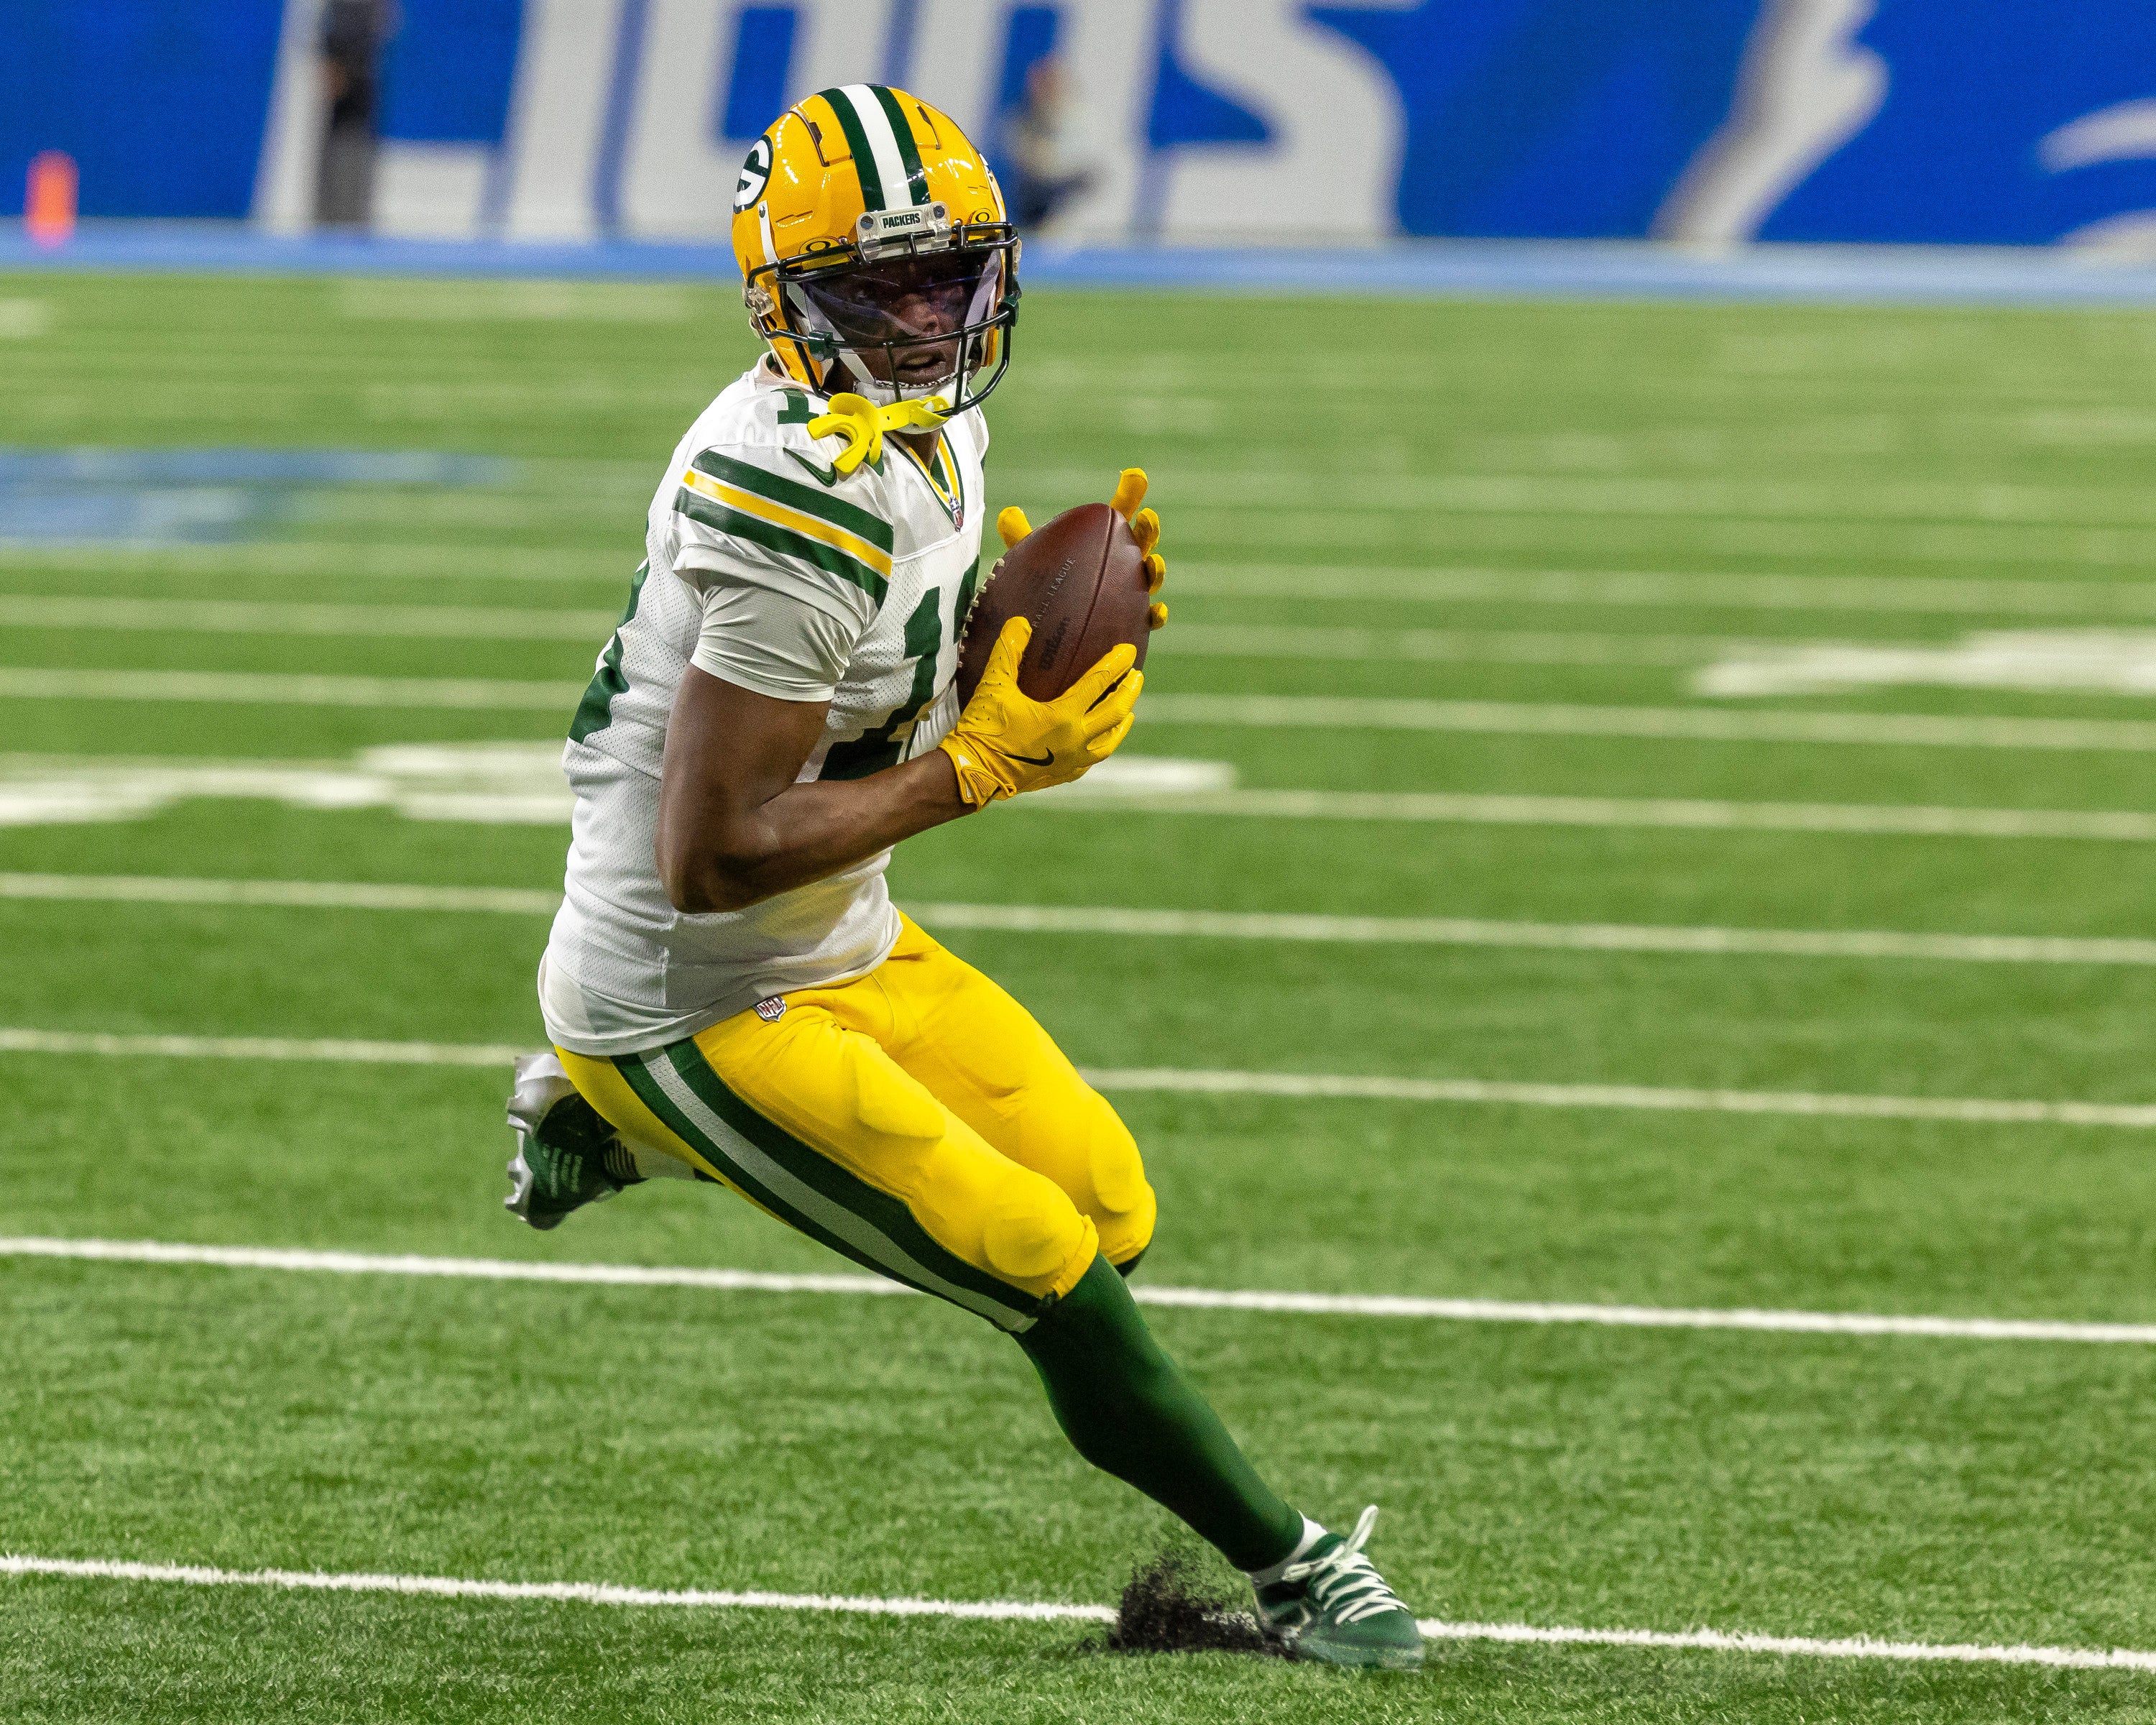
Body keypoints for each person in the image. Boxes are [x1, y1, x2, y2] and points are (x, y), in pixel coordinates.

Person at [503, 84, 1422, 1670]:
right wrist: (978, 766)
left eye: (950, 275)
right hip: (689, 993)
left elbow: (882, 669)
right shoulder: (792, 500)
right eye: (879, 286)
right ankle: (1293, 1572)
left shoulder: (920, 424)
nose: (927, 316)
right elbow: (713, 854)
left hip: (842, 941)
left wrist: (1028, 625)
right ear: (787, 303)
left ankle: (614, 1142)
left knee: (1109, 1209)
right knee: (1044, 1271)